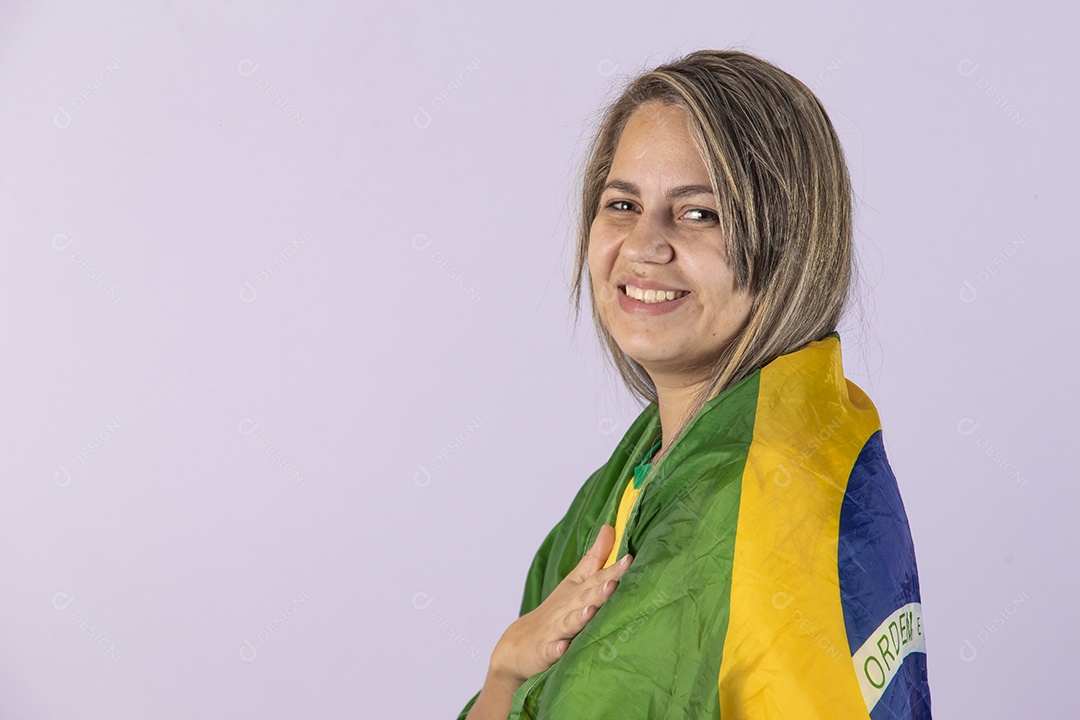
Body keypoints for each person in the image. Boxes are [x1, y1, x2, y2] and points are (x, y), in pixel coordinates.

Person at [458, 49, 931, 719]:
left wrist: (503, 681)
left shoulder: (754, 498)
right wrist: (507, 667)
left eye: (699, 213)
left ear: (789, 241)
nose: (644, 245)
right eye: (622, 203)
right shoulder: (655, 463)